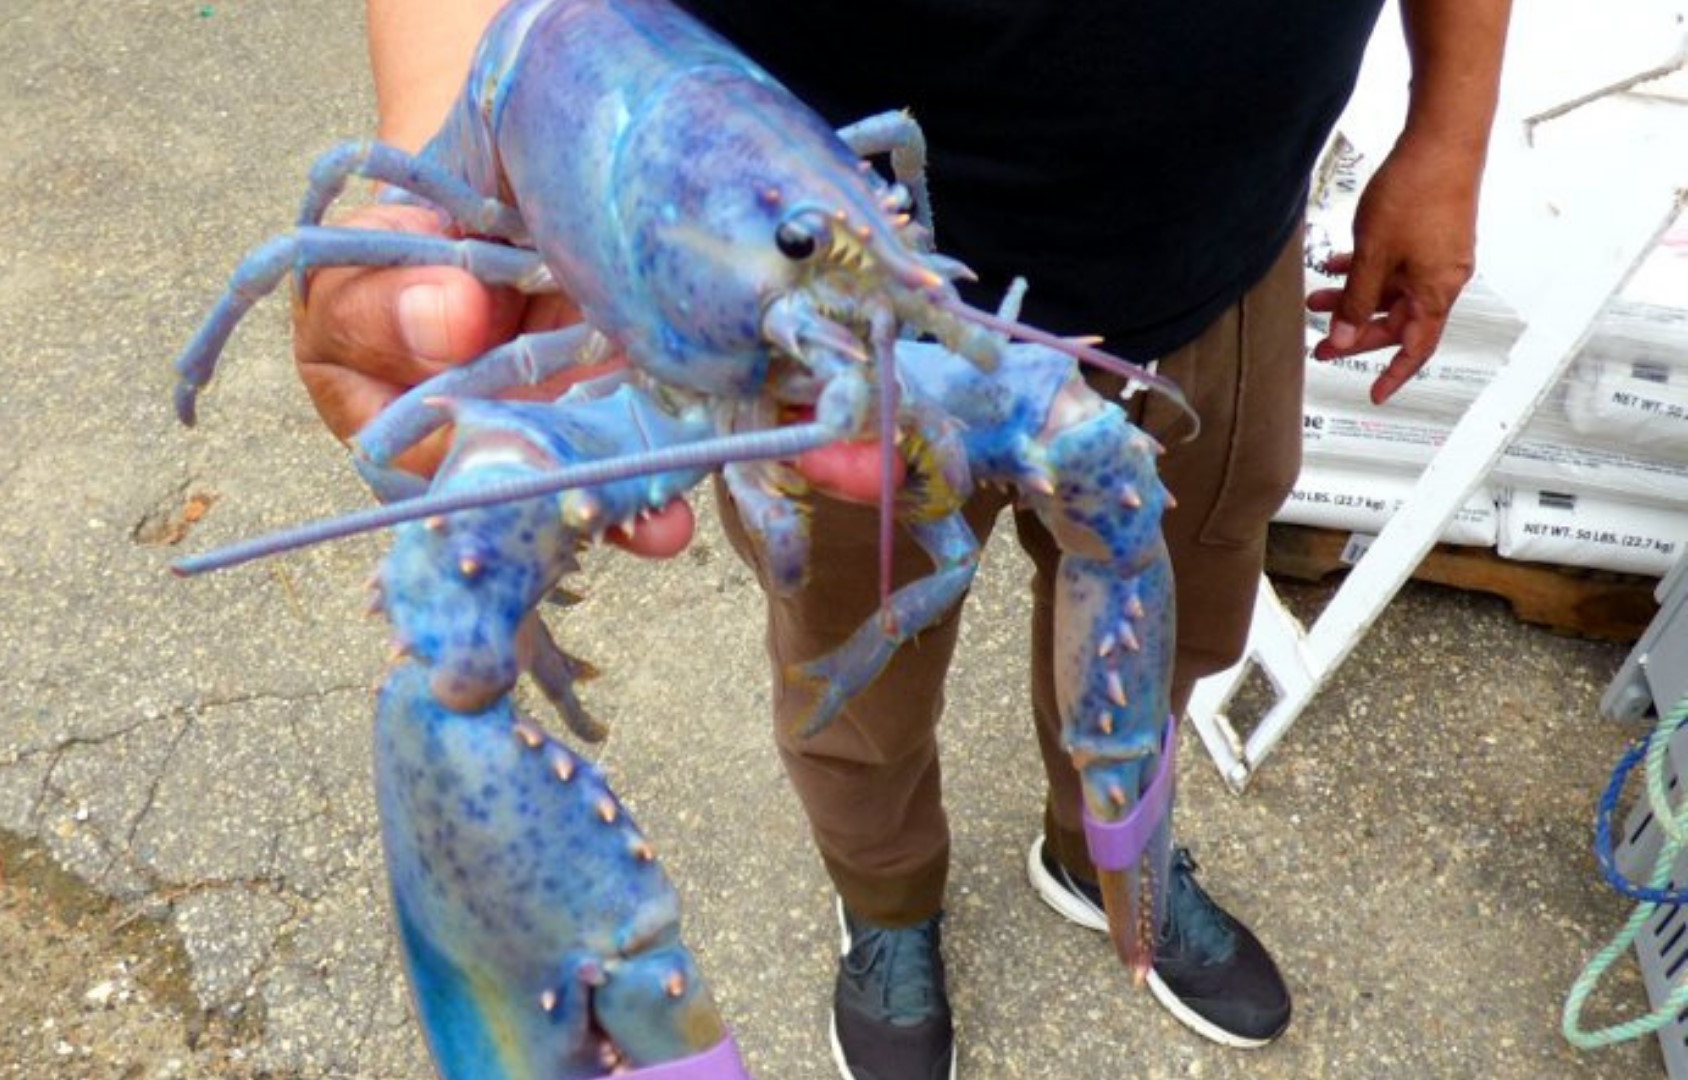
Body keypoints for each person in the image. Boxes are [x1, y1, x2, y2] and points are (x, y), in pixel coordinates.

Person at [294, 1, 1511, 1076]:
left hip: (1210, 245)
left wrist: (1448, 135)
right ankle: (886, 910)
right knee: (846, 686)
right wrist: (444, 117)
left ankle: (1105, 850)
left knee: (1174, 600)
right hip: (797, 355)